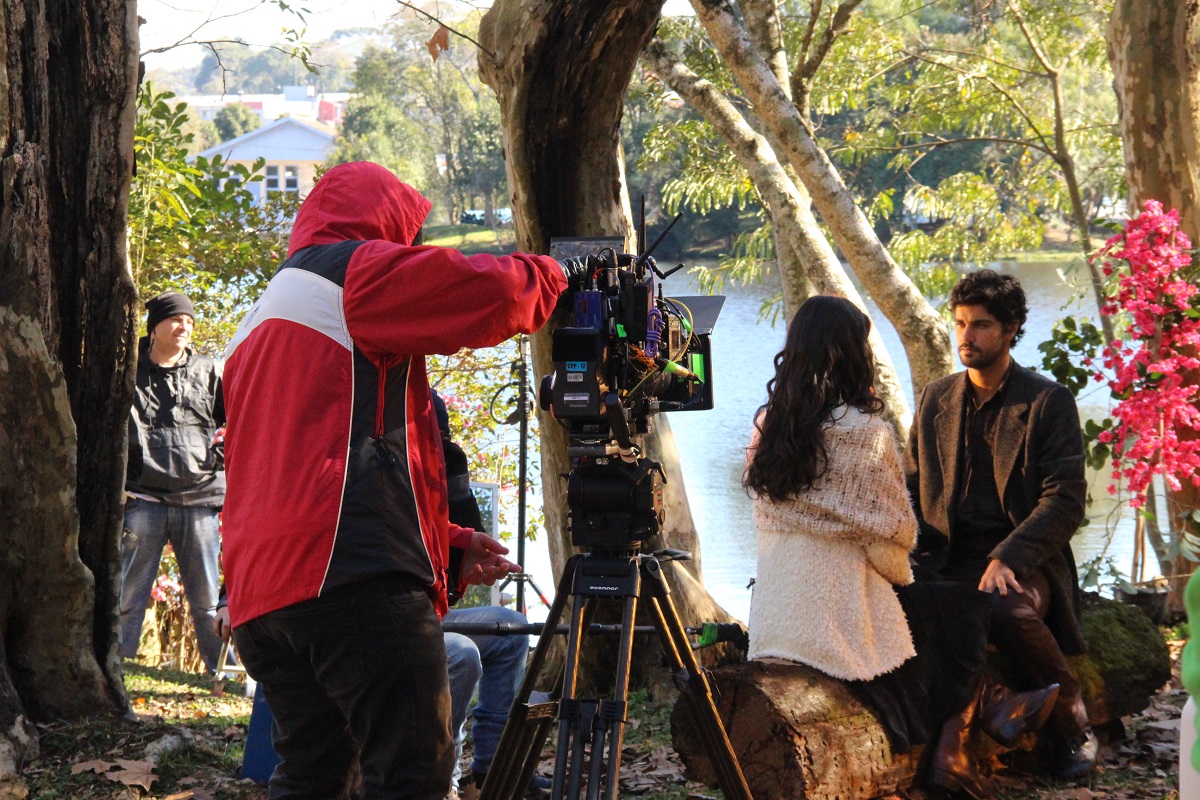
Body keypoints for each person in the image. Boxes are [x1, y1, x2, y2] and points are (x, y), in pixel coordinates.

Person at [219, 161, 587, 800]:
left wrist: (447, 542)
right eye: (406, 235)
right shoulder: (352, 274)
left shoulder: (259, 318)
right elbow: (492, 294)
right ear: (379, 224)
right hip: (348, 579)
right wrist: (560, 272)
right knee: (412, 771)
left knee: (312, 774)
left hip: (263, 593)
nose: (409, 249)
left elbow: (303, 469)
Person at [744, 295, 1058, 800]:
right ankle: (971, 733)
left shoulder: (768, 423)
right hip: (833, 618)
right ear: (854, 352)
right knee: (962, 606)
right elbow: (892, 548)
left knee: (939, 595)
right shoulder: (865, 431)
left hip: (776, 608)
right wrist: (908, 574)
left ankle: (991, 711)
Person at [905, 269, 1096, 781]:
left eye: (981, 325)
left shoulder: (1046, 402)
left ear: (1010, 330)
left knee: (1002, 610)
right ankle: (987, 714)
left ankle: (1072, 721)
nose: (966, 336)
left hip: (1022, 561)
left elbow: (1065, 499)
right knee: (901, 605)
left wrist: (1009, 556)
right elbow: (911, 486)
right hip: (943, 557)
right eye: (960, 323)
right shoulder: (936, 398)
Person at [120, 290, 227, 675]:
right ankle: (118, 668)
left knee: (206, 600)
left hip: (199, 497)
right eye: (176, 319)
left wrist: (222, 453)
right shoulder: (127, 368)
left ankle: (218, 671)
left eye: (189, 321)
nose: (184, 327)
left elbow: (236, 418)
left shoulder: (209, 370)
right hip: (143, 496)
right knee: (130, 594)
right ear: (155, 327)